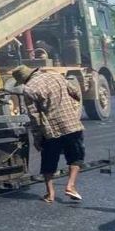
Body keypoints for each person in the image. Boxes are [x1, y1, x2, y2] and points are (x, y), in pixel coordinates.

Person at [8, 65, 84, 203]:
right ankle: (71, 185)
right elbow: (76, 93)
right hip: (71, 124)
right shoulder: (56, 76)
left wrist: (37, 138)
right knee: (76, 156)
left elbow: (34, 116)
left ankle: (50, 194)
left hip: (51, 129)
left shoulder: (29, 89)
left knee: (49, 160)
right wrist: (72, 109)